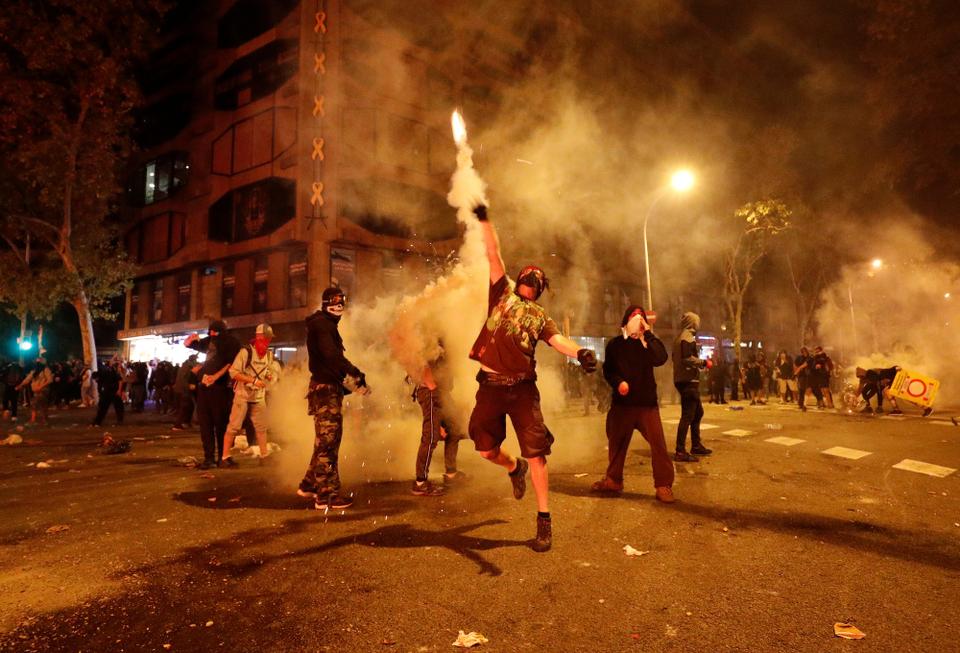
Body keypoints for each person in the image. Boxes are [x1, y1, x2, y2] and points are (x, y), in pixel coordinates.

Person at [466, 204, 597, 553]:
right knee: (484, 449)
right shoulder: (501, 294)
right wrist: (484, 219)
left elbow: (557, 341)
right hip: (491, 387)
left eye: (537, 280)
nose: (531, 281)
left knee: (539, 455)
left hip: (523, 389)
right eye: (528, 276)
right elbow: (493, 252)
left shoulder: (541, 316)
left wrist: (580, 352)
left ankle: (544, 521)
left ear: (540, 290)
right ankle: (513, 466)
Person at [593, 305, 675, 502]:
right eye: (633, 315)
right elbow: (609, 370)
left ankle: (663, 485)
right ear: (625, 320)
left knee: (658, 446)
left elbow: (661, 358)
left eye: (641, 316)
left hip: (647, 404)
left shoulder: (648, 343)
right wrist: (618, 382)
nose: (637, 318)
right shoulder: (615, 344)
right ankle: (613, 480)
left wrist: (648, 335)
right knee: (617, 443)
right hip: (622, 405)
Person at [297, 288, 369, 510]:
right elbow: (332, 356)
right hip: (325, 391)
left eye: (342, 301)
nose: (339, 305)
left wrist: (351, 382)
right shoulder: (323, 325)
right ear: (327, 302)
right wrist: (354, 372)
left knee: (324, 440)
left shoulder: (325, 325)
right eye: (336, 301)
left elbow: (330, 360)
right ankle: (326, 495)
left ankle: (309, 485)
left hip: (327, 389)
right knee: (329, 442)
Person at [410, 342, 467, 496]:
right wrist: (432, 388)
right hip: (429, 389)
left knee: (455, 428)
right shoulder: (427, 330)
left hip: (440, 390)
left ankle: (451, 474)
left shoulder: (443, 331)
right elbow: (419, 361)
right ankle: (420, 482)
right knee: (431, 436)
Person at [220, 324, 280, 468]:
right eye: (266, 338)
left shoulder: (269, 355)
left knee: (261, 427)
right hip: (242, 395)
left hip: (258, 396)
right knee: (234, 426)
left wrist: (269, 376)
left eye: (269, 339)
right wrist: (253, 380)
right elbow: (233, 372)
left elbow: (267, 371)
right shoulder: (246, 352)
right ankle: (225, 457)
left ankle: (264, 456)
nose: (268, 341)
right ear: (258, 337)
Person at [185, 319, 242, 470]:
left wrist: (215, 377)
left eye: (213, 332)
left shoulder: (230, 342)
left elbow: (230, 364)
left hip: (218, 388)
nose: (212, 335)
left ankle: (220, 457)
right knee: (209, 424)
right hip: (208, 388)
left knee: (217, 424)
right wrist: (190, 340)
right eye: (210, 332)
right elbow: (190, 344)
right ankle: (212, 458)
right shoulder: (214, 340)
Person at [672, 312, 711, 461]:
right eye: (697, 321)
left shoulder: (680, 338)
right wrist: (703, 363)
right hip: (688, 381)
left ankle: (696, 445)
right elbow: (686, 358)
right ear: (693, 323)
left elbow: (676, 357)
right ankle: (680, 451)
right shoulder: (687, 338)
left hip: (684, 379)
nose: (698, 324)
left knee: (697, 413)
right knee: (688, 415)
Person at [16, 358, 53, 425]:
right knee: (40, 405)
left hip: (43, 390)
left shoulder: (46, 370)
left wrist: (41, 387)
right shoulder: (34, 371)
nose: (37, 364)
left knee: (36, 404)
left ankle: (36, 420)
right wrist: (20, 385)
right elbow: (27, 379)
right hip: (36, 391)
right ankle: (42, 420)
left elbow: (50, 380)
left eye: (38, 363)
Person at [91, 359, 125, 426]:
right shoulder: (106, 371)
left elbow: (120, 380)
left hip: (112, 391)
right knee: (105, 407)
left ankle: (98, 421)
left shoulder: (107, 372)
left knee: (113, 407)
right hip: (108, 392)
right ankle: (98, 421)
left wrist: (119, 390)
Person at [171, 355, 198, 431]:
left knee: (188, 406)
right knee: (183, 408)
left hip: (181, 390)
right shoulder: (187, 367)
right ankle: (177, 425)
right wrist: (189, 386)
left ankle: (185, 422)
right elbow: (183, 380)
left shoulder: (185, 366)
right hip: (183, 390)